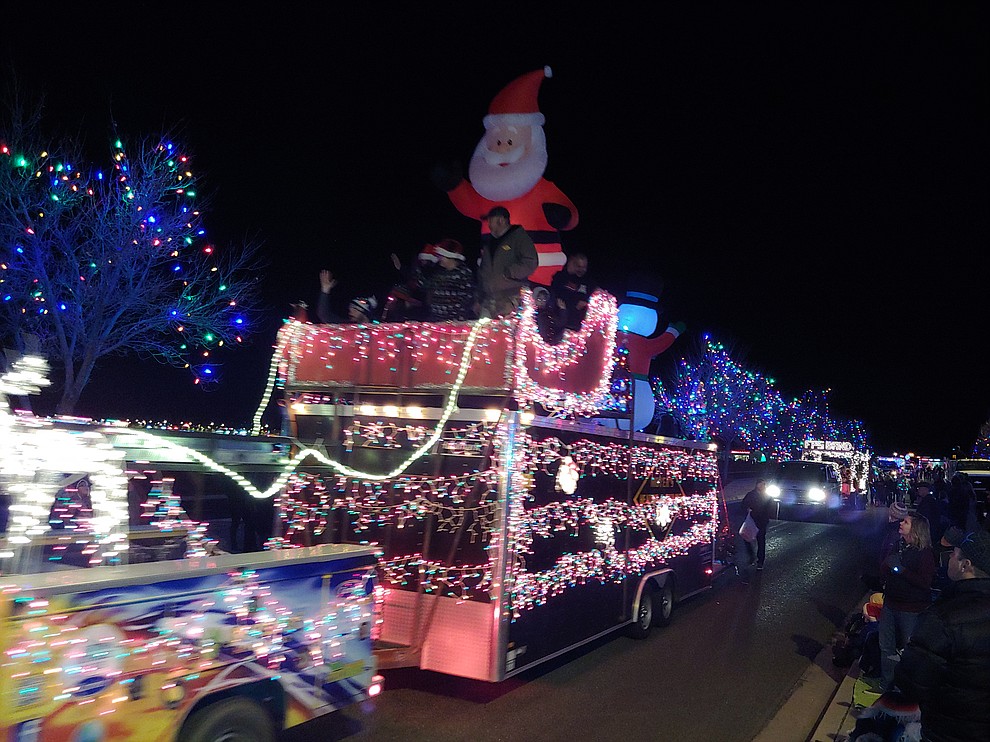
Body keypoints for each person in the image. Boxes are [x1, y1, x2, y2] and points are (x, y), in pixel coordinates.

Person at [894, 526, 990, 741]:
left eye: (954, 555)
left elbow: (912, 683)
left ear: (966, 565)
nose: (949, 559)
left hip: (949, 730)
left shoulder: (944, 617)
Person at [878, 510, 936, 693]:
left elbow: (925, 583)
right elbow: (885, 568)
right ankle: (887, 686)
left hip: (910, 609)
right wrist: (888, 564)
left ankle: (906, 688)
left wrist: (900, 569)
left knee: (908, 650)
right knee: (885, 646)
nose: (901, 524)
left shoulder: (925, 553)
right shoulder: (898, 545)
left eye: (906, 522)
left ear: (916, 529)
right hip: (890, 604)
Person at [475, 205, 538, 318]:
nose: (488, 224)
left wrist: (509, 273)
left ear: (501, 220)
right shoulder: (489, 242)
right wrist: (478, 298)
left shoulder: (519, 237)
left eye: (490, 220)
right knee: (484, 334)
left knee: (505, 334)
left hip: (510, 299)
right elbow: (483, 271)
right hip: (488, 300)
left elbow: (531, 262)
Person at [420, 239, 475, 322]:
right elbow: (427, 288)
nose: (439, 259)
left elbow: (468, 297)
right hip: (436, 320)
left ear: (449, 257)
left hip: (454, 321)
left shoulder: (463, 273)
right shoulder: (439, 273)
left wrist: (459, 316)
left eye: (441, 256)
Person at [549, 252, 597, 331]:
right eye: (579, 266)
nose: (581, 270)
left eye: (584, 267)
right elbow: (559, 298)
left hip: (578, 326)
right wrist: (575, 304)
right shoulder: (560, 277)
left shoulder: (589, 282)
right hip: (561, 322)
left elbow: (590, 299)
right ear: (572, 264)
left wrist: (586, 303)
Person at [741, 478, 775, 570]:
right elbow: (743, 505)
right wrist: (747, 510)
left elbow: (771, 508)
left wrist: (768, 516)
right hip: (752, 520)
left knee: (760, 541)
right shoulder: (751, 495)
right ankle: (751, 555)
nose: (762, 486)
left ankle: (760, 561)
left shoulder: (767, 496)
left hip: (762, 521)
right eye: (761, 484)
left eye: (764, 484)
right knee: (746, 537)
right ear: (757, 485)